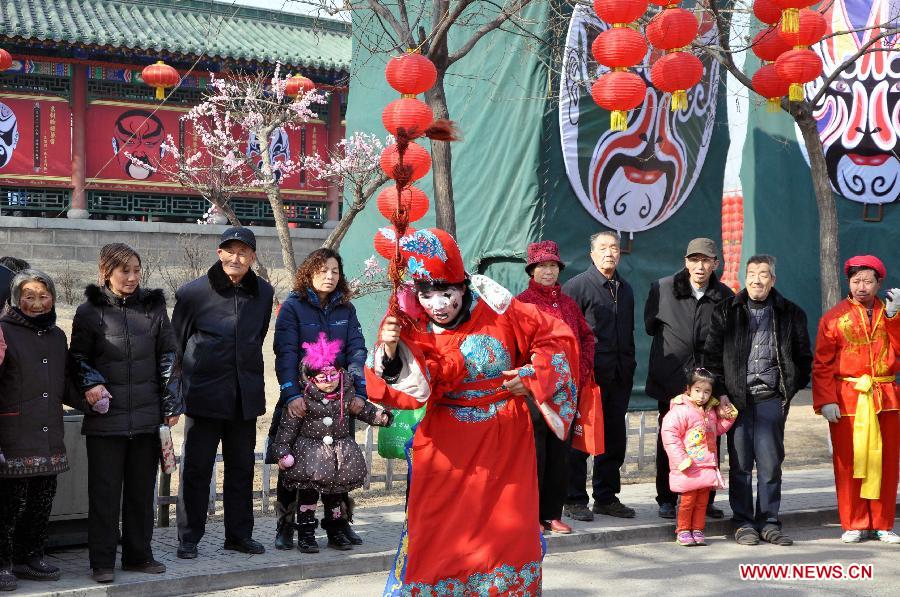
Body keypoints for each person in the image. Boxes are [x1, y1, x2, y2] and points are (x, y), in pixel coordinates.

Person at [366, 228, 580, 594]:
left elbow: (557, 338)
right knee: (438, 531)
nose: (437, 304)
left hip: (504, 441)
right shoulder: (411, 324)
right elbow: (406, 386)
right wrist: (389, 353)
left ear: (463, 287)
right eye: (427, 294)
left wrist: (530, 376)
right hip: (444, 444)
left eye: (446, 292)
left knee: (504, 531)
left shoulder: (499, 306)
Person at [69, 243, 182, 583]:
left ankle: (138, 555)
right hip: (107, 417)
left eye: (136, 270)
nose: (132, 277)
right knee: (104, 494)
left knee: (140, 491)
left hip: (147, 417)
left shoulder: (154, 307)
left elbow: (169, 356)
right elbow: (78, 359)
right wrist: (91, 385)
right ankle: (101, 561)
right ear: (106, 272)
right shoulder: (89, 312)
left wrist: (171, 403)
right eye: (124, 271)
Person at [173, 227, 274, 559]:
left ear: (253, 257)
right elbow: (177, 344)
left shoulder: (264, 292)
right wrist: (176, 392)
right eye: (229, 251)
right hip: (203, 395)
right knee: (197, 468)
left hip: (244, 396)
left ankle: (239, 535)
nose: (236, 258)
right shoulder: (193, 293)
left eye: (243, 252)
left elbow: (256, 338)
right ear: (219, 254)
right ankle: (189, 537)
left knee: (242, 468)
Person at [704, 255, 812, 547]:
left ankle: (769, 521)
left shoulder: (790, 313)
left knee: (770, 464)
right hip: (735, 400)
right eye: (751, 273)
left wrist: (786, 391)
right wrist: (722, 393)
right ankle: (742, 522)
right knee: (740, 465)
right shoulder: (727, 310)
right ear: (744, 276)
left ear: (772, 280)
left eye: (763, 274)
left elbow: (803, 360)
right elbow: (712, 357)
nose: (756, 279)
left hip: (770, 400)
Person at [270, 248, 368, 550]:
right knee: (293, 467)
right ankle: (286, 525)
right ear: (309, 273)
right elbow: (285, 353)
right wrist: (291, 394)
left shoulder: (346, 309)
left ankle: (338, 524)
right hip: (302, 400)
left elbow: (356, 351)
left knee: (340, 464)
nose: (329, 275)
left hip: (338, 401)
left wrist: (358, 393)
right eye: (322, 270)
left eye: (334, 271)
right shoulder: (292, 307)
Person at [271, 333, 392, 553]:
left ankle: (336, 530)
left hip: (339, 460)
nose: (329, 381)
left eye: (333, 375)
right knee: (307, 499)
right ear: (310, 378)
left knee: (335, 498)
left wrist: (380, 417)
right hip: (309, 460)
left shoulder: (347, 396)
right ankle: (306, 534)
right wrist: (282, 452)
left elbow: (364, 410)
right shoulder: (301, 402)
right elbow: (287, 429)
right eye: (322, 377)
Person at [812, 255, 900, 544]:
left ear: (879, 283)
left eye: (867, 281)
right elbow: (822, 363)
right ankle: (853, 522)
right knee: (848, 462)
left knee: (886, 462)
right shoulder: (834, 317)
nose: (861, 286)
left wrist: (894, 319)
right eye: (855, 280)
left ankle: (883, 523)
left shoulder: (891, 313)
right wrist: (826, 400)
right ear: (848, 282)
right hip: (848, 399)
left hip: (885, 397)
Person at [645, 237, 734, 519]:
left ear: (715, 264)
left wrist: (719, 387)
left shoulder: (725, 295)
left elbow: (727, 342)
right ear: (686, 262)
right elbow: (651, 327)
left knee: (708, 440)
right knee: (671, 440)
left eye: (706, 260)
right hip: (671, 382)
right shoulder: (662, 288)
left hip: (708, 384)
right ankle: (667, 499)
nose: (700, 266)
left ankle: (704, 499)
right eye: (694, 260)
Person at [516, 240, 595, 534]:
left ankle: (552, 513)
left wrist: (581, 370)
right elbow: (513, 344)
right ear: (532, 270)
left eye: (552, 266)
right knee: (534, 453)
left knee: (561, 454)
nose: (548, 271)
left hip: (566, 392)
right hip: (534, 391)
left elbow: (586, 337)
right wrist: (526, 375)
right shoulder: (522, 303)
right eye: (542, 266)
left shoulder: (568, 304)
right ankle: (530, 515)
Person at [0, 270, 69, 591]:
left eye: (44, 296)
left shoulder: (57, 336)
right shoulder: (3, 332)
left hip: (48, 431)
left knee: (42, 499)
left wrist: (93, 393)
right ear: (16, 299)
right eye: (29, 296)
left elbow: (65, 383)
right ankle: (3, 562)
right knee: (9, 505)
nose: (37, 303)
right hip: (14, 431)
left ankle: (32, 556)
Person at [564, 231, 637, 520]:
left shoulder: (625, 288)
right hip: (588, 378)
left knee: (613, 440)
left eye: (615, 248)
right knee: (581, 440)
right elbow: (567, 336)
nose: (610, 252)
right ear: (592, 254)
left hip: (619, 375)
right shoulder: (577, 287)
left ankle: (606, 497)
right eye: (603, 248)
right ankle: (574, 499)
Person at [660, 369, 735, 546]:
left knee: (702, 502)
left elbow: (717, 429)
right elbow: (669, 435)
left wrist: (729, 418)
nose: (702, 396)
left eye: (707, 391)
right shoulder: (680, 410)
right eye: (698, 390)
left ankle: (698, 529)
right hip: (689, 465)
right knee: (687, 501)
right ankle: (683, 529)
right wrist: (681, 460)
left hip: (707, 463)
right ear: (688, 389)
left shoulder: (709, 411)